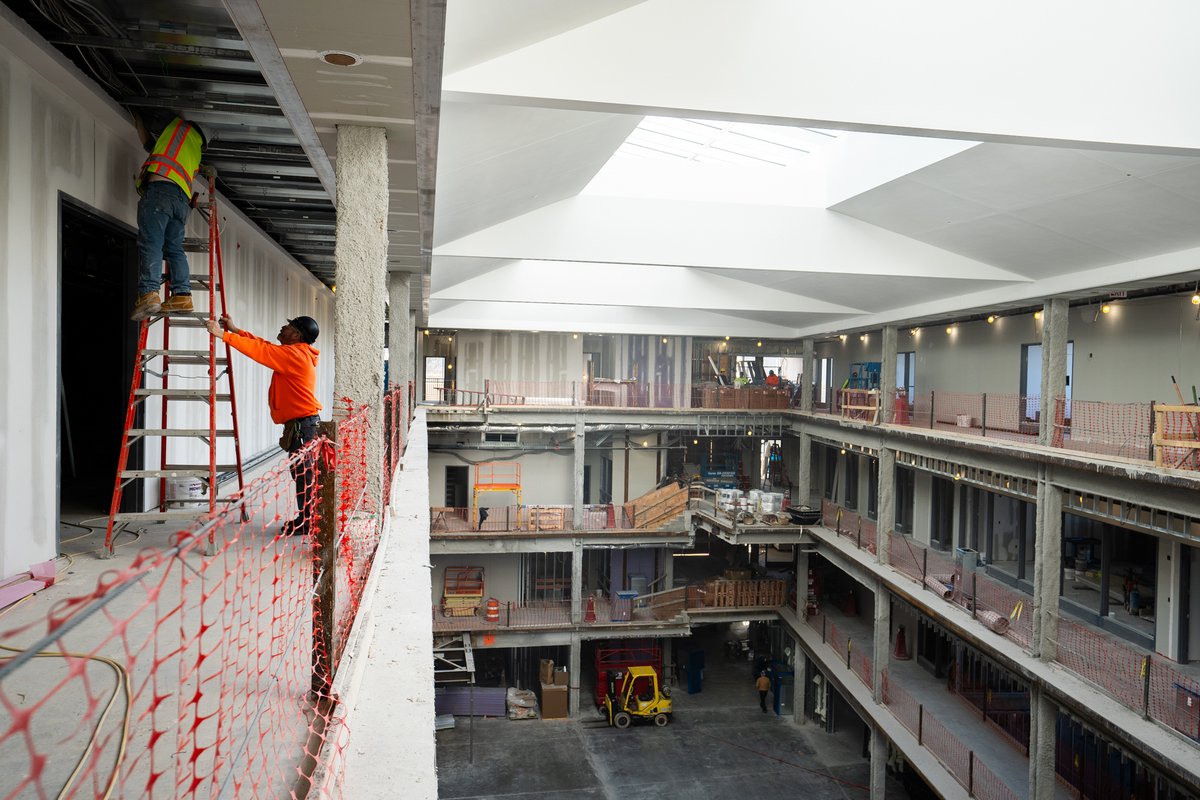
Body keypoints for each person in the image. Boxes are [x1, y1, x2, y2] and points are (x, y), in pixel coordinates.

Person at [204, 314, 322, 536]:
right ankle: (307, 518)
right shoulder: (294, 353)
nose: (282, 327)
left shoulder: (294, 355)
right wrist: (236, 331)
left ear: (296, 335)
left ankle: (307, 521)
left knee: (303, 474)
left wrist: (223, 335)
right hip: (302, 425)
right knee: (302, 473)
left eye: (287, 326)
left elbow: (260, 351)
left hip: (303, 427)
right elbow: (264, 346)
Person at [131, 113, 208, 321]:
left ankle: (149, 293)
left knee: (151, 242)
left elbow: (148, 142)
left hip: (160, 192)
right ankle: (182, 295)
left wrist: (138, 119)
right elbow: (152, 148)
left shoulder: (177, 126)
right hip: (181, 200)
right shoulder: (194, 149)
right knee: (174, 248)